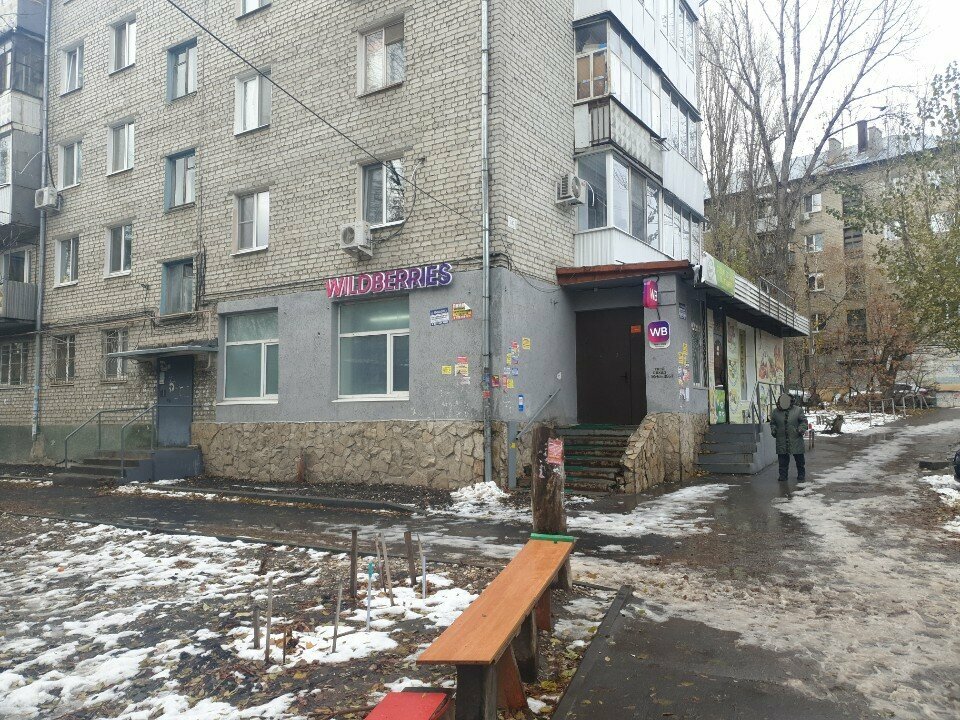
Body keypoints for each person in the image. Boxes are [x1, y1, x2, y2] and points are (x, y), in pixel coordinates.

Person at [770, 392, 807, 482]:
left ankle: (801, 474)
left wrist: (801, 429)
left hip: (795, 438)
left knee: (799, 460)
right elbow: (773, 423)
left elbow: (803, 421)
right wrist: (774, 430)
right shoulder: (775, 412)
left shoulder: (798, 410)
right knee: (782, 460)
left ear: (791, 401)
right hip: (781, 439)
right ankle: (783, 476)